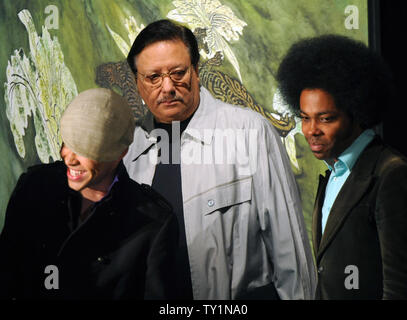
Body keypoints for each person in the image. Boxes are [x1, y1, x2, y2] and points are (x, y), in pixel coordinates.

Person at [124, 19, 316, 300]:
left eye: (178, 73)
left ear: (196, 70)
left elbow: (290, 248)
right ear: (138, 83)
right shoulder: (127, 147)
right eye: (153, 77)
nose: (167, 87)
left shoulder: (249, 132)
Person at [0, 88, 178, 299]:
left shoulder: (153, 224)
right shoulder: (34, 186)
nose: (70, 158)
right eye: (68, 143)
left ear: (120, 153)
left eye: (86, 151)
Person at [276, 34, 407, 299]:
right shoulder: (334, 174)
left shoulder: (390, 172)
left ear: (356, 111)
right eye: (304, 118)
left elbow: (398, 284)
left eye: (326, 118)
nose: (311, 130)